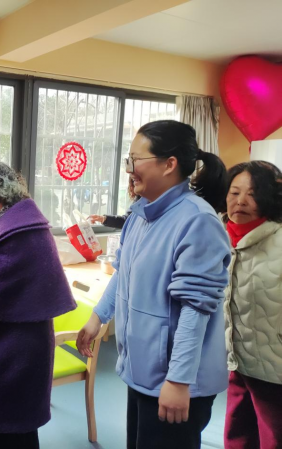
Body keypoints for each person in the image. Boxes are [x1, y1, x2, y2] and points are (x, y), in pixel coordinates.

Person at [76, 120, 231, 449]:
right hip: (143, 371)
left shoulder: (197, 220)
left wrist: (178, 379)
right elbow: (123, 273)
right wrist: (97, 317)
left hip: (176, 380)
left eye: (135, 160)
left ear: (169, 164)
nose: (129, 169)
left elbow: (195, 309)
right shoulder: (140, 214)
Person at [0, 161, 76, 449]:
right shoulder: (21, 222)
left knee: (7, 429)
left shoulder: (18, 231)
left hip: (15, 346)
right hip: (25, 339)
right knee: (18, 428)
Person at [223, 161, 282, 449]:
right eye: (234, 192)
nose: (241, 201)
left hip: (275, 370)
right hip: (237, 363)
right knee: (237, 437)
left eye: (253, 193)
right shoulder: (220, 238)